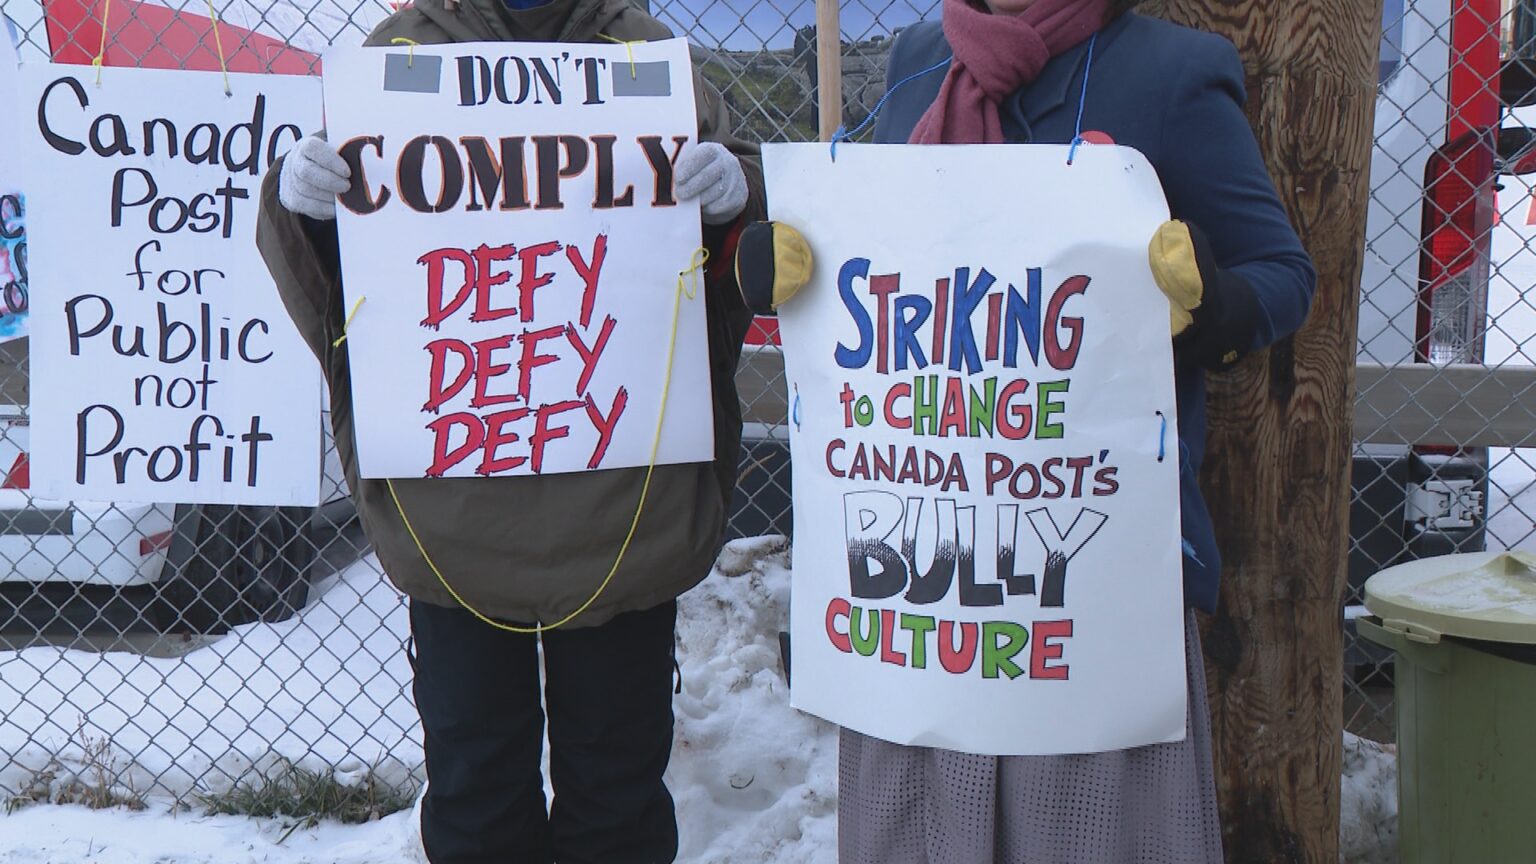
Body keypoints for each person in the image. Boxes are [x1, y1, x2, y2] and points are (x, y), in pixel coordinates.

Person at [740, 0, 1315, 861]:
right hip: (922, 591)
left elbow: (1284, 275)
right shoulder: (920, 60)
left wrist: (1207, 303)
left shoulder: (1169, 72)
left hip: (1083, 588)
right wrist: (794, 275)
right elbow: (893, 262)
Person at [255, 1, 763, 861]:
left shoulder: (641, 56)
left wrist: (740, 192)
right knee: (479, 788)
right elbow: (349, 268)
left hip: (619, 506)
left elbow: (752, 243)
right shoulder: (402, 57)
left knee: (614, 790)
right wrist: (301, 203)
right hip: (456, 505)